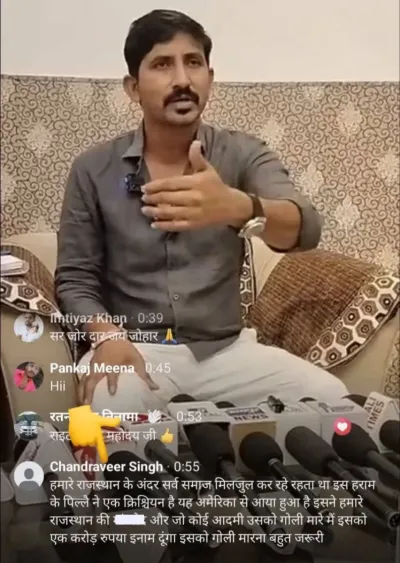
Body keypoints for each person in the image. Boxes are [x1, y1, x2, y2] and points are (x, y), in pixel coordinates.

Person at [55, 10, 347, 415]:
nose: (182, 80)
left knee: (334, 401)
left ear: (210, 77)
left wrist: (238, 206)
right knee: (113, 412)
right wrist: (106, 337)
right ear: (133, 87)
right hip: (136, 347)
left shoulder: (243, 153)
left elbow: (305, 228)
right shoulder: (93, 169)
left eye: (193, 63)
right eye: (162, 64)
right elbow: (75, 279)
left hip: (227, 352)